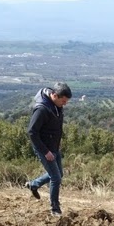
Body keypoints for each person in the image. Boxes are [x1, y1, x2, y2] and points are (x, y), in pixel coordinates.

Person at [25, 82, 72, 216]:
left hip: (54, 147)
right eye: (63, 101)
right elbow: (32, 132)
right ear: (55, 95)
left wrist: (57, 143)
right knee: (56, 178)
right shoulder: (42, 109)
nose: (65, 104)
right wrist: (46, 152)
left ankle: (34, 184)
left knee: (58, 174)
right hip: (44, 149)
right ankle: (55, 208)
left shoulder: (56, 106)